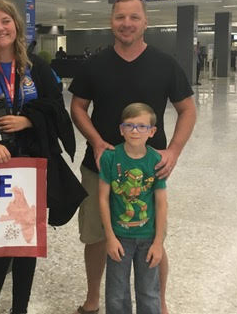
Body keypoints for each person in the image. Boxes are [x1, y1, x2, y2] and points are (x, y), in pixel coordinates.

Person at [69, 0, 196, 314]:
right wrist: (96, 142)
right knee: (97, 236)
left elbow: (188, 110)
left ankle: (160, 303)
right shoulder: (95, 65)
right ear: (112, 20)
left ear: (145, 22)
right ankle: (93, 298)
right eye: (120, 17)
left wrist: (174, 151)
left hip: (148, 173)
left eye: (134, 17)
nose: (126, 24)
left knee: (152, 239)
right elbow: (78, 107)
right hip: (99, 169)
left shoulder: (165, 64)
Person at [0, 0, 83, 314]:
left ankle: (20, 307)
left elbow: (57, 110)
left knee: (26, 243)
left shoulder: (38, 68)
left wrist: (29, 119)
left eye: (5, 21)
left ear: (16, 25)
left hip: (32, 167)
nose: (0, 28)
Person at [99, 103, 167, 314]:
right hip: (119, 238)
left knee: (149, 292)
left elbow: (161, 202)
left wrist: (158, 242)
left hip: (148, 239)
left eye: (141, 126)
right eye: (129, 126)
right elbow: (103, 198)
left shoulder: (156, 160)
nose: (135, 131)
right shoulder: (110, 158)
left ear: (152, 131)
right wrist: (109, 237)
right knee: (116, 294)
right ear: (121, 129)